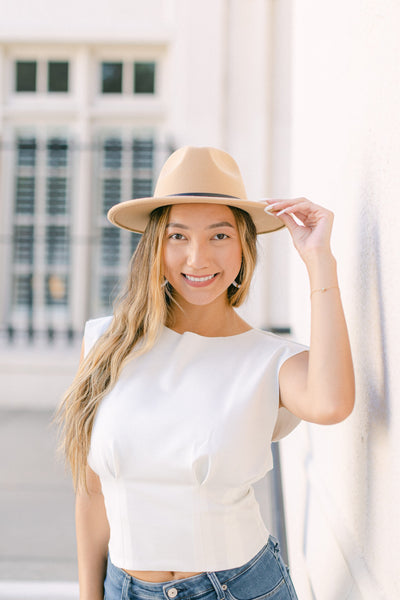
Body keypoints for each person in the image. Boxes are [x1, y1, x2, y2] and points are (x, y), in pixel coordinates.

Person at [56, 146, 355, 600]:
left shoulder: (268, 360)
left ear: (243, 247)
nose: (197, 259)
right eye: (178, 236)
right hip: (123, 587)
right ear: (156, 245)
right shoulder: (103, 344)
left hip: (239, 588)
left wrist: (320, 262)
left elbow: (331, 403)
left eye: (219, 236)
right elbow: (92, 495)